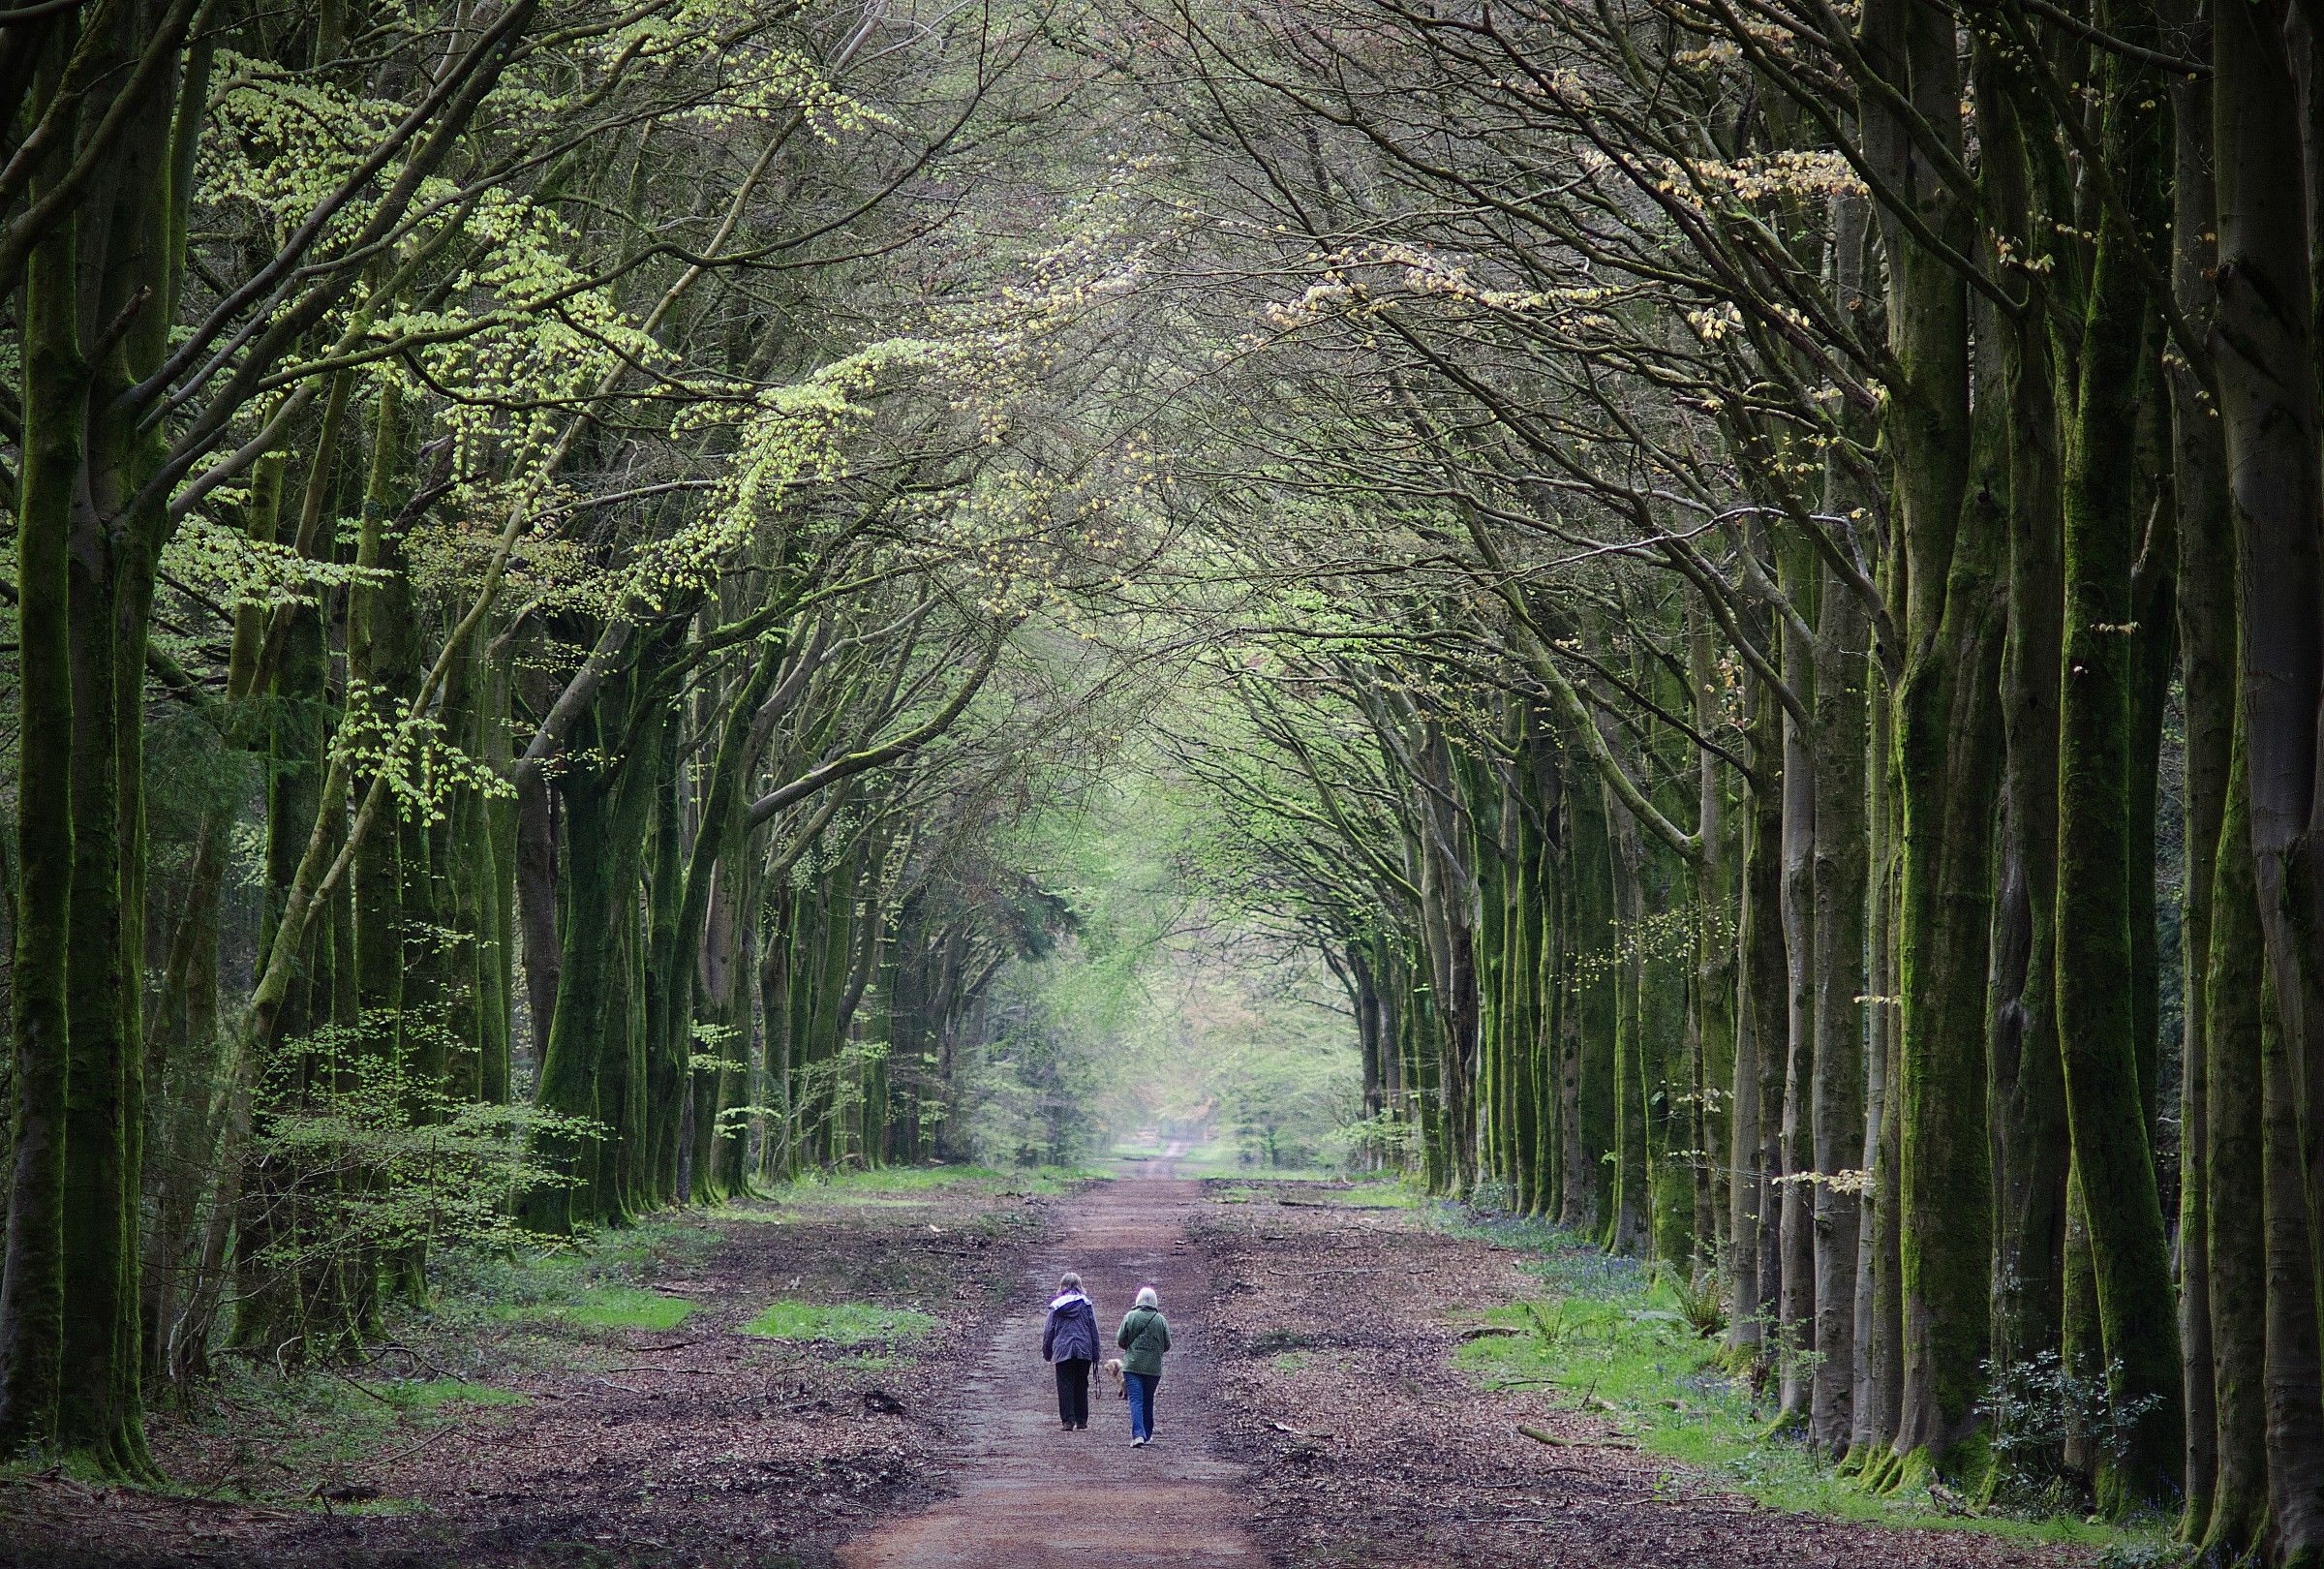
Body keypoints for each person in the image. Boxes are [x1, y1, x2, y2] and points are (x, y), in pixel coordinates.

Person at [1041, 1272, 1099, 1431]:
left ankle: (1068, 1420)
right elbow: (1093, 1329)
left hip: (1062, 1350)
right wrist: (1095, 1353)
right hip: (1083, 1349)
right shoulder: (1086, 1304)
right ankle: (1081, 1419)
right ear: (1080, 1286)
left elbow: (1048, 1331)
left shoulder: (1056, 1306)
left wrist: (1047, 1352)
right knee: (1081, 1382)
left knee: (1065, 1384)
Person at [1116, 1284, 1171, 1447]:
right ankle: (1147, 1434)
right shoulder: (1160, 1320)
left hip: (1132, 1366)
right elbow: (1167, 1344)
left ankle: (1138, 1434)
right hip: (1153, 1368)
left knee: (1136, 1400)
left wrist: (1131, 1348)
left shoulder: (1130, 1316)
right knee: (1148, 1400)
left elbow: (1120, 1340)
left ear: (1138, 1299)